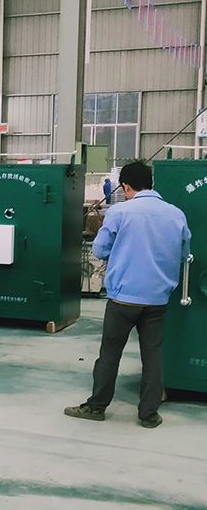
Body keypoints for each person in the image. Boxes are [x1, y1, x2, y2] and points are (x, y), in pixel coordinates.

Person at [65, 161, 191, 428]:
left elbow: (99, 250)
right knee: (152, 356)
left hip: (123, 298)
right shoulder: (176, 214)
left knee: (110, 353)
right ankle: (149, 414)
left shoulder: (120, 212)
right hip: (157, 299)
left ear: (125, 186)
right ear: (151, 183)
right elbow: (183, 254)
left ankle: (96, 407)